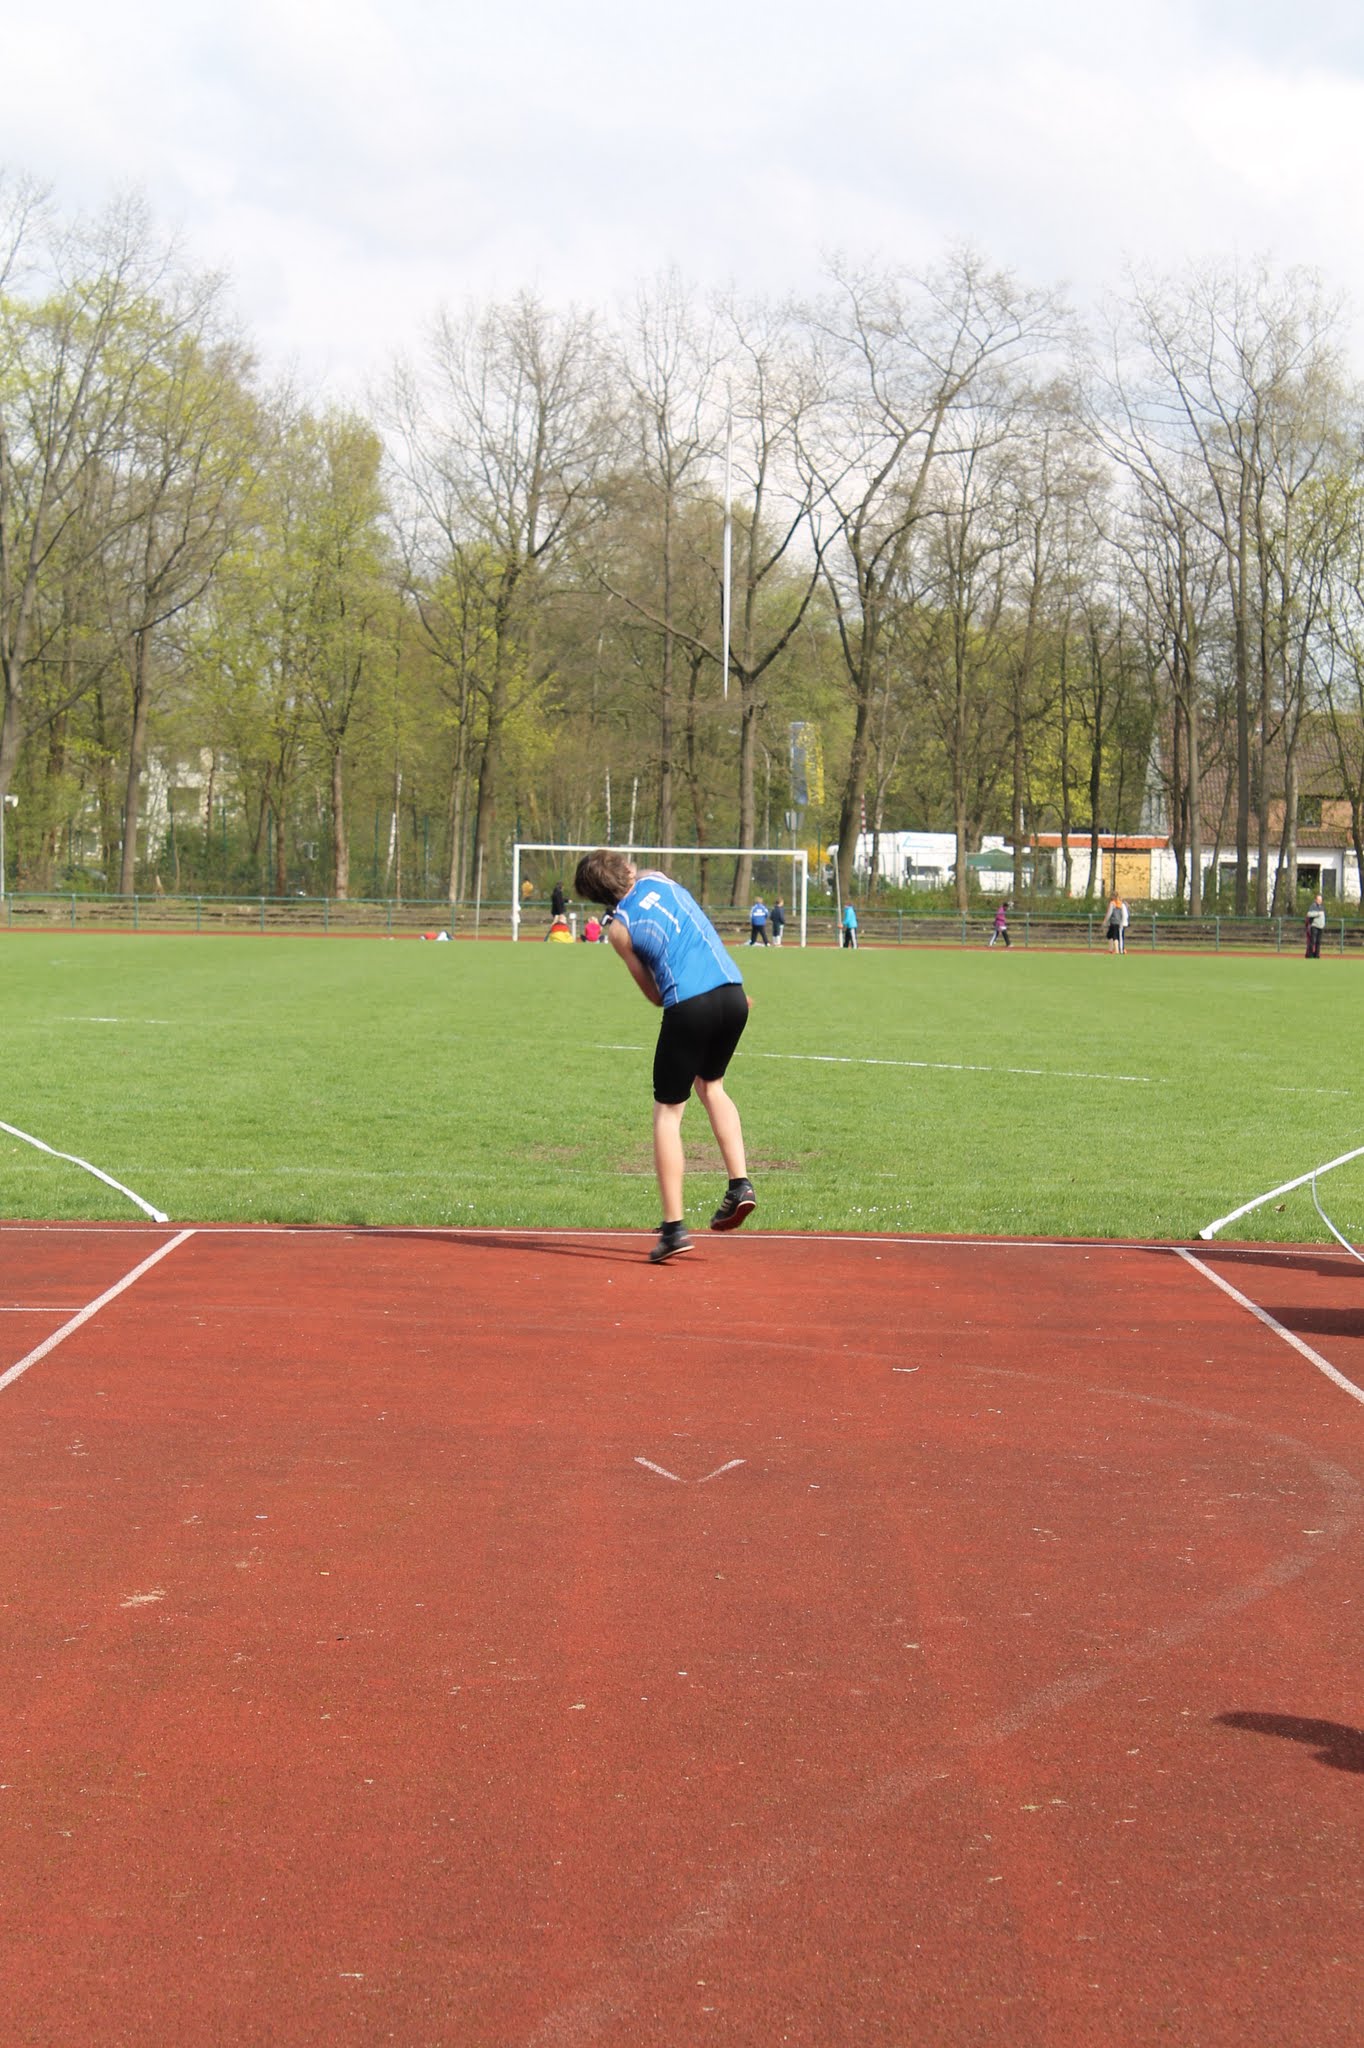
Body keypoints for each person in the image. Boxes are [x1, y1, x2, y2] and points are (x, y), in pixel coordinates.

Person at [574, 848, 755, 1264]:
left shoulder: (619, 930)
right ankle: (739, 1183)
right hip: (733, 993)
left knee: (668, 1113)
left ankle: (674, 1228)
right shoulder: (659, 878)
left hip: (690, 1005)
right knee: (712, 1087)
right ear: (626, 867)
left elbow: (655, 995)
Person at [1306, 892, 1326, 959]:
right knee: (1313, 941)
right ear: (1315, 900)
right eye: (1318, 899)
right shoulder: (1313, 906)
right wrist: (1317, 914)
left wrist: (1323, 924)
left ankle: (1317, 955)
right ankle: (1310, 954)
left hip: (1320, 927)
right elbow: (1309, 914)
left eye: (1321, 900)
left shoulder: (1322, 907)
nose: (1320, 901)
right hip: (1314, 926)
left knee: (1318, 942)